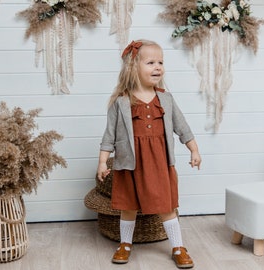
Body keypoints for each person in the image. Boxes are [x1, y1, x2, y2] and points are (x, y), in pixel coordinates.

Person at [97, 39, 201, 269]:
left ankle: (178, 247)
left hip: (158, 164)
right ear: (133, 67)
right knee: (128, 206)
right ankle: (125, 244)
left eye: (161, 62)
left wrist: (193, 149)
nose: (158, 67)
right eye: (151, 62)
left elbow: (182, 127)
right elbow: (109, 136)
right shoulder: (121, 102)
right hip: (128, 165)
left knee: (166, 206)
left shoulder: (166, 99)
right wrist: (103, 162)